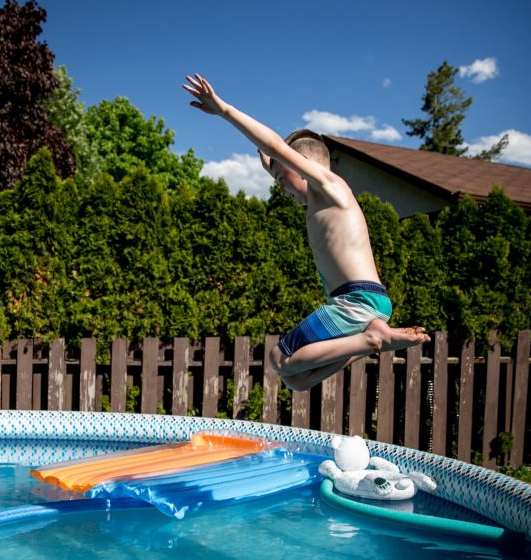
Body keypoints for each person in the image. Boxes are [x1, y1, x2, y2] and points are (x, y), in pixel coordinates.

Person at [183, 73, 430, 391]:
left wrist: (224, 110)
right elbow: (275, 161)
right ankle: (368, 340)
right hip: (368, 301)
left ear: (301, 164)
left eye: (283, 178)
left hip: (355, 300)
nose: (281, 188)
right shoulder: (320, 200)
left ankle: (372, 338)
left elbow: (272, 145)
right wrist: (272, 167)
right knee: (296, 378)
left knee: (279, 358)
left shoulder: (329, 186)